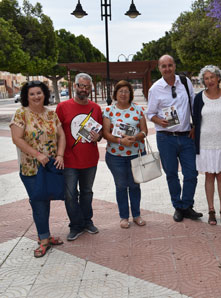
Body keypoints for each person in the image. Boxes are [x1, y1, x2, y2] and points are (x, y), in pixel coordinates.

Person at [10, 81, 66, 257]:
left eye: (39, 93)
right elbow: (17, 139)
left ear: (44, 95)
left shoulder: (51, 114)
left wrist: (60, 155)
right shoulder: (21, 114)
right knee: (38, 202)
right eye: (32, 94)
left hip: (50, 166)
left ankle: (46, 236)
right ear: (26, 96)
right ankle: (43, 239)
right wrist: (37, 155)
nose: (36, 96)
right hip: (31, 168)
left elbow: (61, 135)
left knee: (46, 199)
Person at [147, 54, 202, 222]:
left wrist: (194, 126)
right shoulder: (155, 89)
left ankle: (187, 205)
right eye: (164, 66)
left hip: (186, 137)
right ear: (159, 68)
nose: (167, 68)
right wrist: (159, 121)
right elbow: (150, 113)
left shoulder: (185, 83)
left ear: (174, 66)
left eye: (170, 65)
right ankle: (178, 206)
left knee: (191, 173)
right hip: (166, 138)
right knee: (171, 174)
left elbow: (194, 106)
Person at [56, 73, 103, 241]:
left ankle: (87, 221)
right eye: (80, 86)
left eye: (87, 86)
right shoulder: (62, 107)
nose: (83, 89)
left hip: (90, 159)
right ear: (74, 86)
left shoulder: (96, 108)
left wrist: (99, 137)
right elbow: (57, 133)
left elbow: (100, 132)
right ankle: (75, 225)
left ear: (91, 88)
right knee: (69, 194)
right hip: (69, 160)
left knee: (87, 192)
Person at [193, 65, 221, 225]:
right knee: (209, 176)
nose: (210, 80)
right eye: (206, 78)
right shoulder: (199, 98)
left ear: (218, 77)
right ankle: (211, 210)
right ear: (203, 81)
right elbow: (196, 120)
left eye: (212, 77)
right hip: (205, 144)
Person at [103, 80, 147, 229]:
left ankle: (136, 215)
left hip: (136, 154)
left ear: (130, 94)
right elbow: (105, 133)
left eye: (126, 91)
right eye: (120, 91)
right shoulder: (109, 111)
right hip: (116, 156)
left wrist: (135, 138)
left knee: (135, 186)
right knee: (121, 186)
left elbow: (144, 131)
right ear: (116, 94)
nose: (123, 94)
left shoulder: (138, 109)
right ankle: (123, 217)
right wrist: (120, 141)